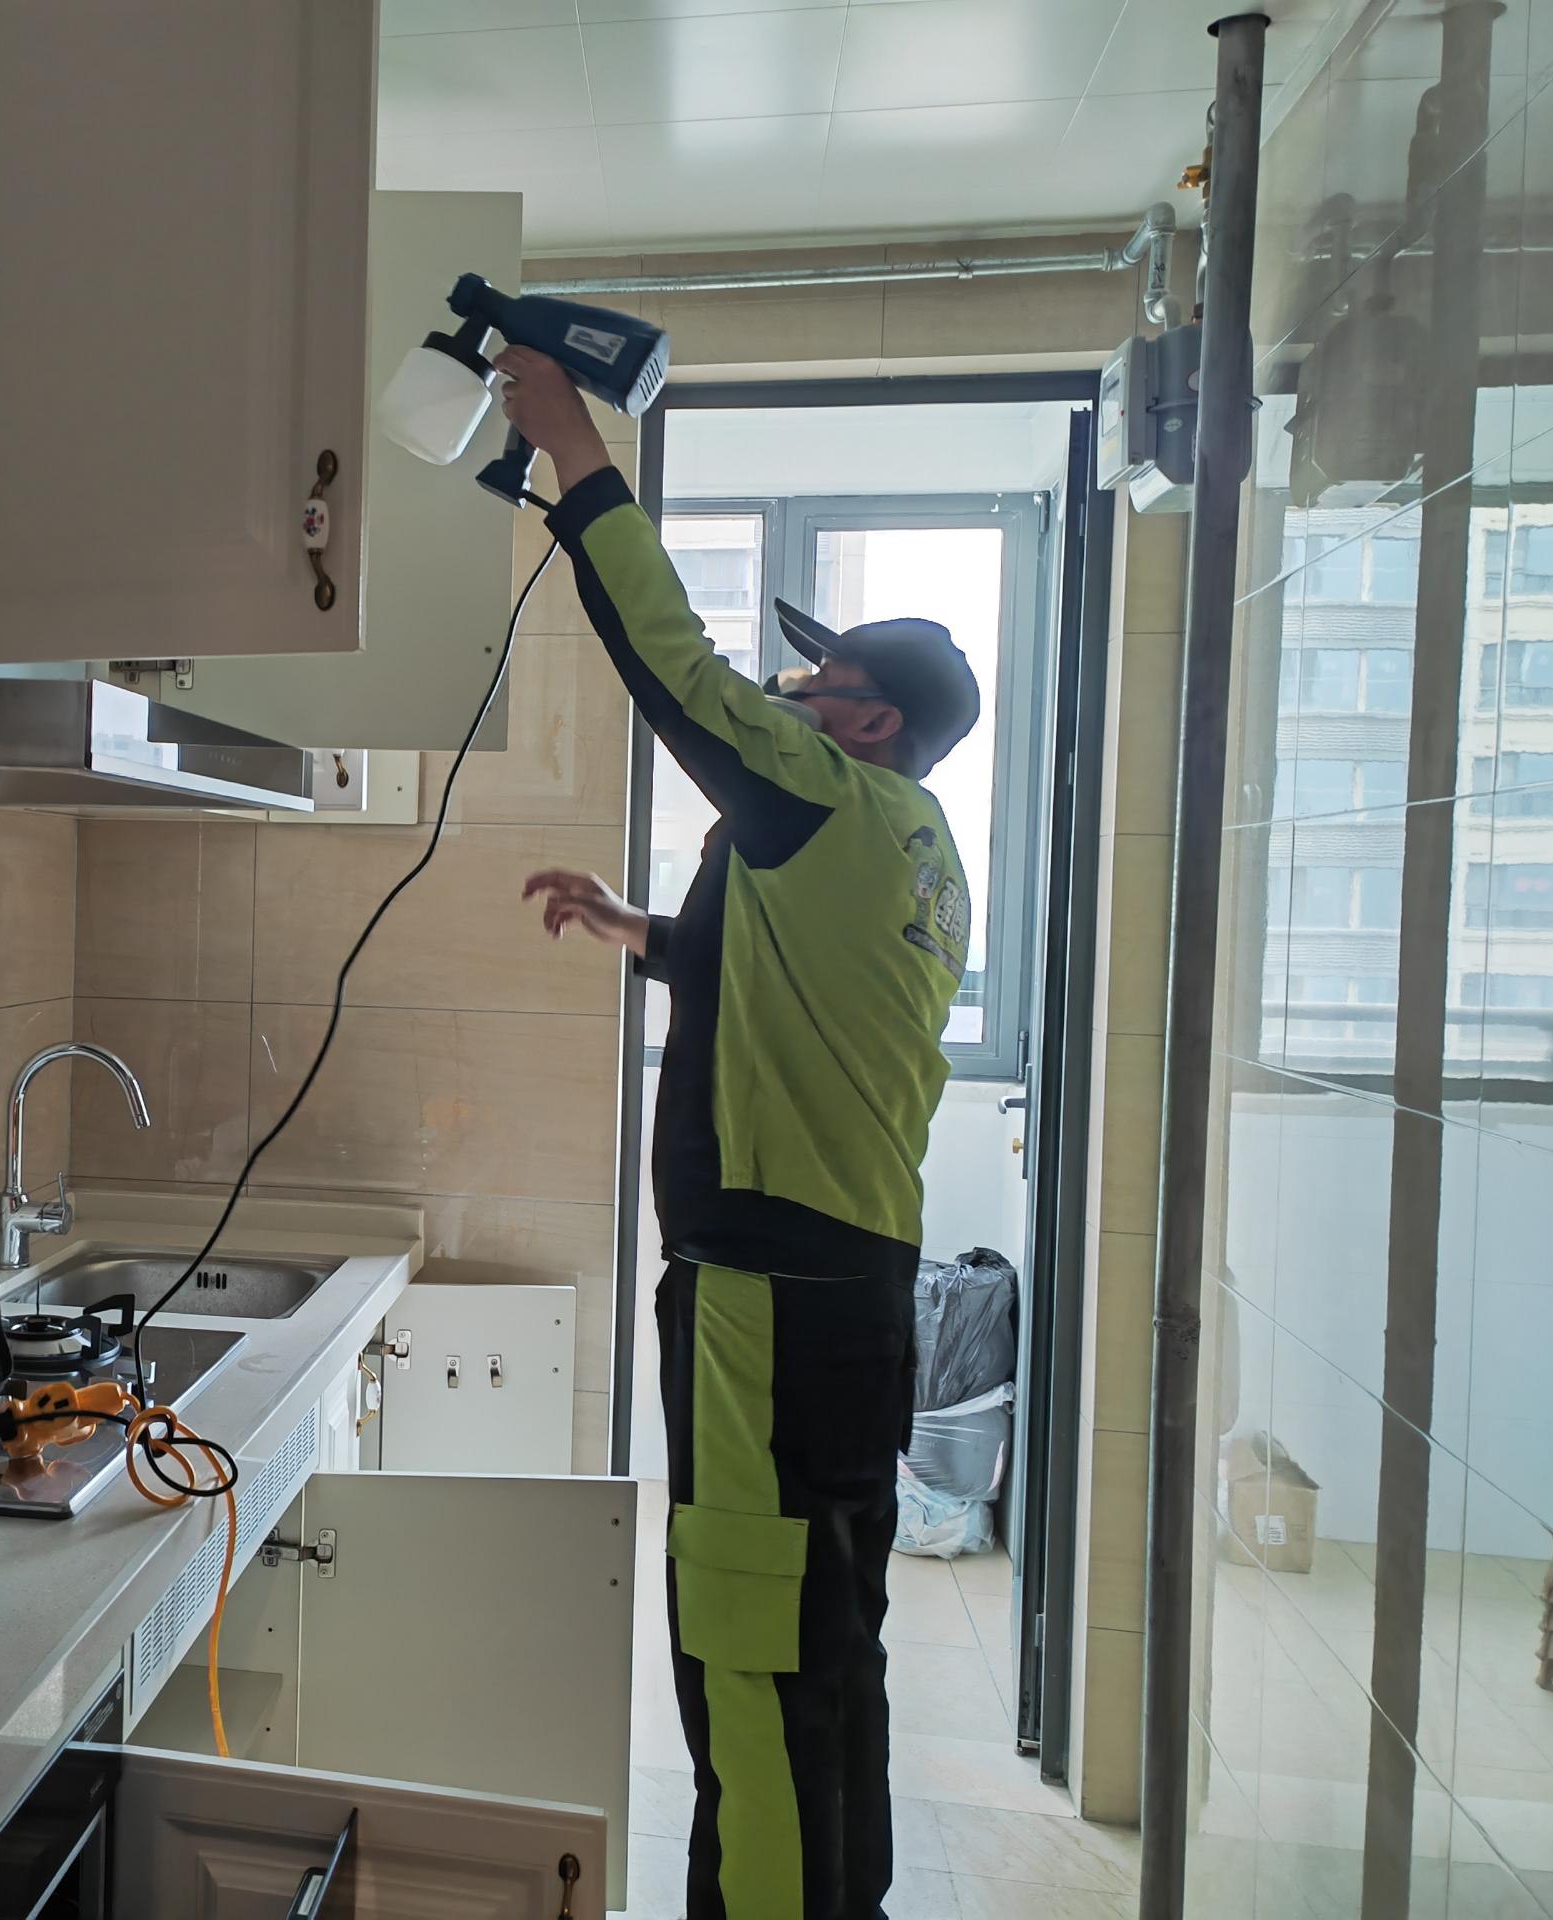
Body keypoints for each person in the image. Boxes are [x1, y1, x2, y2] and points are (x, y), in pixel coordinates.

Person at [496, 345, 982, 1920]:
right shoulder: (916, 851)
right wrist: (638, 928)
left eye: (820, 681)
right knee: (829, 1641)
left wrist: (574, 454)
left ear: (873, 722)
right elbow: (785, 984)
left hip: (768, 1304)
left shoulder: (827, 793)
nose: (791, 691)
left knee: (753, 1646)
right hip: (851, 1294)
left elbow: (674, 663)